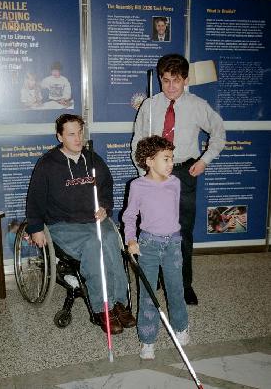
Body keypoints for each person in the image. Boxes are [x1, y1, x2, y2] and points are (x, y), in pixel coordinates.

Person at [26, 113, 136, 334]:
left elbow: (106, 187)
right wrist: (36, 228)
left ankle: (118, 303)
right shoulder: (47, 164)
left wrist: (104, 206)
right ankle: (101, 308)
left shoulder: (93, 159)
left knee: (111, 240)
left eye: (80, 132)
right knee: (94, 245)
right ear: (60, 137)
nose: (78, 139)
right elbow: (35, 198)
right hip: (63, 224)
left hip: (93, 219)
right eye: (71, 134)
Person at [131, 54, 226, 305]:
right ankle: (157, 279)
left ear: (185, 79)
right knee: (151, 230)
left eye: (176, 80)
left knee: (181, 232)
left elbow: (219, 132)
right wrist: (145, 175)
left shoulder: (197, 105)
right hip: (152, 175)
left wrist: (204, 160)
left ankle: (184, 285)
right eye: (165, 80)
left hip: (183, 173)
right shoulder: (149, 106)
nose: (170, 86)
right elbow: (137, 142)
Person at [123, 135, 189, 360]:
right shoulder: (137, 186)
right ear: (149, 161)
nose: (171, 164)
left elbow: (172, 212)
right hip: (148, 245)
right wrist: (131, 239)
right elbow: (130, 216)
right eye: (166, 159)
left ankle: (181, 327)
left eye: (172, 158)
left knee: (176, 289)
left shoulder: (175, 183)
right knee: (148, 293)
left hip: (172, 243)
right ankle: (148, 339)